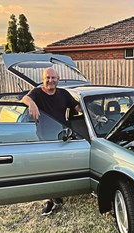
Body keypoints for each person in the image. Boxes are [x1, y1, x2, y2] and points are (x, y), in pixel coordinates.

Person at [22, 67, 81, 216]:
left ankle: (57, 193)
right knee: (46, 169)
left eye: (53, 78)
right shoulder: (37, 93)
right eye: (47, 78)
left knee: (59, 166)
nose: (50, 80)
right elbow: (24, 98)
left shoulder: (63, 94)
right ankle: (49, 200)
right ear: (43, 79)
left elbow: (77, 107)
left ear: (58, 79)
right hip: (43, 137)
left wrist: (93, 113)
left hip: (62, 136)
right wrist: (32, 104)